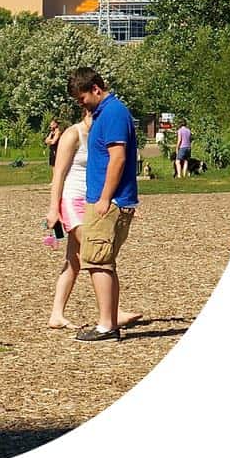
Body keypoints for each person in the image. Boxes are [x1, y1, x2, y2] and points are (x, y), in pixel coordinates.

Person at [46, 109, 141, 330]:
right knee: (98, 252)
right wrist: (53, 209)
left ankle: (56, 314)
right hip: (72, 199)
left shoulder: (102, 136)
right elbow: (58, 173)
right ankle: (112, 313)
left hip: (93, 200)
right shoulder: (73, 134)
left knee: (74, 260)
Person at [67, 67, 139, 342]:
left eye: (82, 97)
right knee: (102, 262)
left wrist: (106, 198)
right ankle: (108, 321)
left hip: (107, 202)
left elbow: (118, 158)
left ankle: (106, 326)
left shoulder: (112, 113)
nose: (81, 103)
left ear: (96, 88)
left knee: (98, 261)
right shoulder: (106, 113)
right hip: (107, 200)